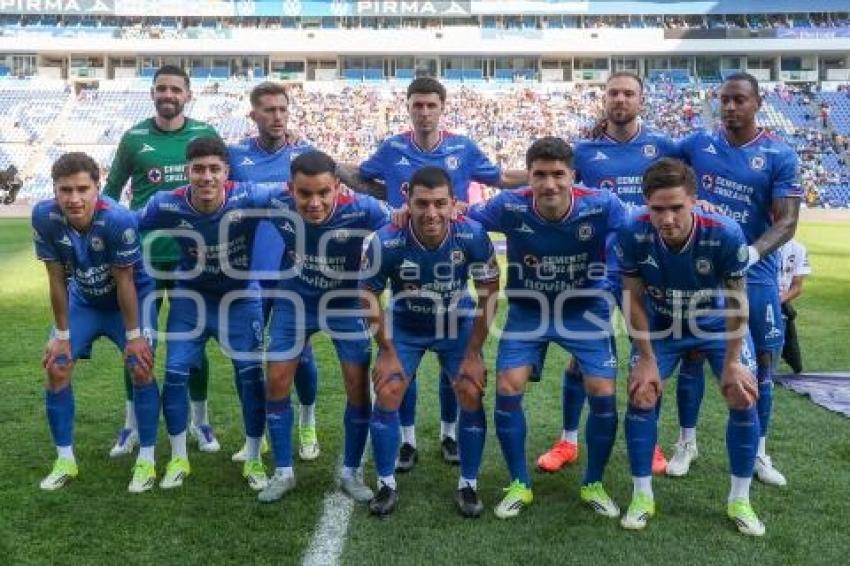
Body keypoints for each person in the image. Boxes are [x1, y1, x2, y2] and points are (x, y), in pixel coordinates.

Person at [338, 77, 527, 471]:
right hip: (404, 252)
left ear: (442, 108)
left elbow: (499, 179)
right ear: (407, 107)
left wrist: (543, 176)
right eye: (417, 105)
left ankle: (449, 432)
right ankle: (406, 439)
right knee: (401, 359)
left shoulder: (463, 148)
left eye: (431, 105)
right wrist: (334, 169)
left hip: (451, 256)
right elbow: (366, 178)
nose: (424, 112)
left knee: (452, 357)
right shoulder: (392, 148)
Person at [467, 137, 626, 519]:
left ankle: (593, 483)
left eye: (558, 174)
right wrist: (408, 213)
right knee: (507, 386)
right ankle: (520, 483)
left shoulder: (602, 204)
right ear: (529, 178)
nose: (550, 184)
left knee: (603, 390)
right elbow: (459, 215)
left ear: (573, 175)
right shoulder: (508, 205)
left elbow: (646, 219)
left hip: (584, 309)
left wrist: (698, 206)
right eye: (540, 175)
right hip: (529, 310)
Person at [538, 71, 682, 477]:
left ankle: (650, 441)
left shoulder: (664, 147)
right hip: (598, 269)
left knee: (649, 355)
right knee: (580, 360)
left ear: (642, 100)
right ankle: (568, 440)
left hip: (651, 270)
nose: (620, 99)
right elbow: (555, 191)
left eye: (628, 93)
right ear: (605, 99)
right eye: (613, 92)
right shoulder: (582, 152)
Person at [618, 157, 764, 535]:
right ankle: (642, 495)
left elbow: (737, 302)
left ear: (695, 201)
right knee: (642, 392)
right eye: (658, 209)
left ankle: (740, 499)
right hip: (663, 324)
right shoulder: (632, 231)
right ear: (645, 204)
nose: (667, 219)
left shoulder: (726, 233)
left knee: (742, 392)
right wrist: (646, 359)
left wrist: (733, 362)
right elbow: (632, 299)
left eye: (676, 208)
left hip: (716, 325)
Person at [678, 72, 802, 486]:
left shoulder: (779, 154)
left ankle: (759, 451)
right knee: (693, 354)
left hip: (758, 273)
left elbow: (787, 222)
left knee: (763, 362)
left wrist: (750, 253)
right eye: (724, 100)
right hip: (704, 274)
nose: (730, 107)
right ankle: (687, 442)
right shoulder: (697, 144)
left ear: (757, 103)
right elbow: (655, 162)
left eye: (739, 100)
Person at [137, 137, 277, 492]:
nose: (206, 177)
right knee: (174, 374)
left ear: (226, 172)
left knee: (250, 376)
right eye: (198, 169)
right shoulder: (165, 204)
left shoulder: (250, 196)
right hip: (191, 299)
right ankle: (179, 457)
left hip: (241, 299)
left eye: (214, 169)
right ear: (188, 172)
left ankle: (254, 457)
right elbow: (128, 224)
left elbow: (298, 193)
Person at [360, 166, 500, 517]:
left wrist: (473, 354)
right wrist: (387, 352)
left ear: (455, 204)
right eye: (422, 203)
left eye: (440, 203)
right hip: (405, 323)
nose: (431, 213)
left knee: (470, 388)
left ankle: (468, 483)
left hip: (457, 322)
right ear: (407, 201)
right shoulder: (385, 239)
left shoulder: (473, 234)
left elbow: (489, 294)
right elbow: (367, 295)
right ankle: (386, 483)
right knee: (389, 388)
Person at [103, 65, 223, 456]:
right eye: (160, 88)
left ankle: (200, 421)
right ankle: (132, 425)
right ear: (152, 94)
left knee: (192, 342)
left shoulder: (205, 135)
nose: (167, 94)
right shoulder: (134, 138)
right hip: (145, 261)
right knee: (137, 340)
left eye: (175, 88)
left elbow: (229, 183)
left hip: (193, 261)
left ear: (188, 95)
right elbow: (109, 193)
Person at [259, 151, 390, 504]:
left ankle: (351, 471)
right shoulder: (273, 200)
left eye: (323, 193)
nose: (314, 203)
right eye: (304, 194)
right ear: (290, 189)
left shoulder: (364, 209)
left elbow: (402, 221)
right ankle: (283, 472)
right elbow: (224, 194)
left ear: (337, 187)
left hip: (345, 304)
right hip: (295, 301)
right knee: (276, 382)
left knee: (357, 388)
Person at [33, 152, 159, 493]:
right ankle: (65, 460)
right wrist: (60, 334)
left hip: (129, 299)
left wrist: (134, 336)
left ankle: (146, 459)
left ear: (97, 187)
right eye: (65, 190)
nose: (74, 198)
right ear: (55, 190)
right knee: (57, 366)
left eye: (82, 189)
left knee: (140, 365)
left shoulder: (117, 219)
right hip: (85, 299)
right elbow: (56, 279)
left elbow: (126, 282)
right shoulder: (44, 216)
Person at [228, 81, 320, 463]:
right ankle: (257, 432)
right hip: (247, 273)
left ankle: (308, 421)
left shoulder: (305, 154)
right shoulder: (234, 156)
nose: (277, 117)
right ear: (254, 115)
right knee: (246, 355)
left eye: (282, 109)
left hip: (291, 273)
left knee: (300, 354)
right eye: (268, 110)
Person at [777, 238, 811, 373]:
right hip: (757, 297)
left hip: (781, 301)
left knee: (796, 364)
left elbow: (797, 287)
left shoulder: (798, 249)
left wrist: (778, 300)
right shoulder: (758, 243)